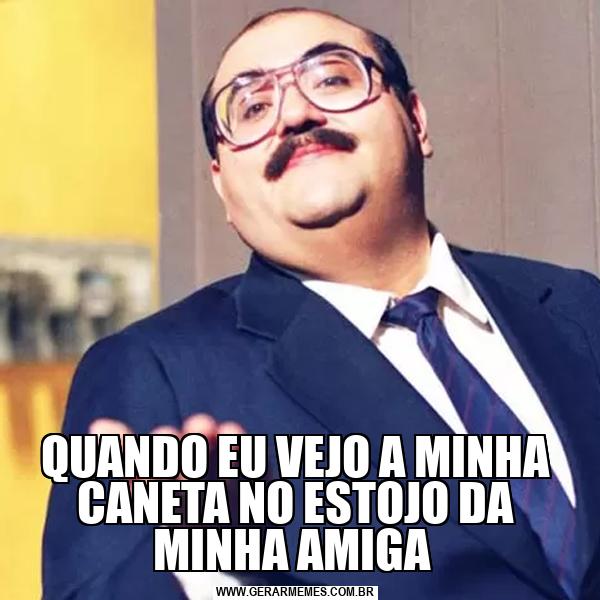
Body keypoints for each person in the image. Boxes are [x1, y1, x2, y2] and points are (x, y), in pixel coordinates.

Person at [43, 7, 600, 600]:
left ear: (416, 120)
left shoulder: (579, 306)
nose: (295, 114)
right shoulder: (156, 374)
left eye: (332, 79)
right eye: (252, 108)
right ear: (223, 185)